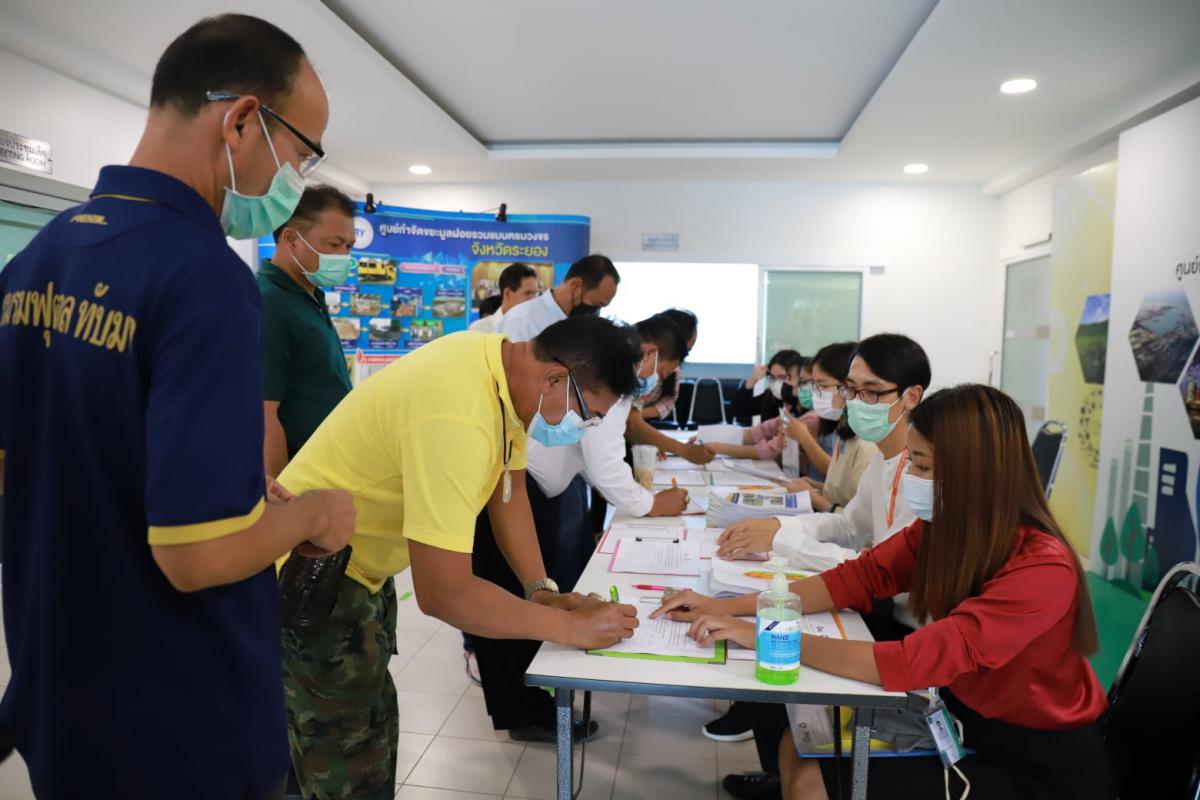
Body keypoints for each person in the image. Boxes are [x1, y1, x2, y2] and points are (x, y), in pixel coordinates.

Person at [0, 15, 357, 799]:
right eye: (301, 152)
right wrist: (314, 514)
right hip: (179, 718)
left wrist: (229, 490)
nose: (293, 178)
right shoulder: (205, 278)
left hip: (63, 692)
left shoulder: (38, 257)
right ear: (242, 122)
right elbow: (195, 557)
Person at [658, 384, 1115, 800]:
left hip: (1034, 764)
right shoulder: (944, 528)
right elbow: (859, 577)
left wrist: (765, 635)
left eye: (923, 466)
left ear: (974, 472)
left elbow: (913, 661)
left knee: (812, 780)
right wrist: (730, 607)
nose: (911, 475)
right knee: (799, 743)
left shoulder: (1042, 568)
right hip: (962, 721)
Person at [276, 317, 642, 800]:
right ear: (556, 378)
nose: (582, 428)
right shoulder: (458, 414)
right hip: (314, 573)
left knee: (368, 732)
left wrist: (541, 592)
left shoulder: (498, 370)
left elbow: (507, 492)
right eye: (587, 414)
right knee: (346, 763)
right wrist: (569, 628)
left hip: (360, 567)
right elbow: (444, 593)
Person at [707, 333, 930, 795]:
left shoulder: (921, 473)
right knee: (769, 655)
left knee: (778, 652)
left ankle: (796, 772)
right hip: (879, 605)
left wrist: (783, 537)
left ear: (911, 397)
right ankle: (780, 772)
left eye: (871, 392)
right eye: (851, 389)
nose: (856, 402)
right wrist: (777, 526)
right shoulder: (884, 458)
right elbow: (846, 524)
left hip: (900, 623)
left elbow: (875, 567)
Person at [470, 313, 690, 742]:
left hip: (530, 487)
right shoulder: (610, 378)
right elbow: (605, 466)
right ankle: (524, 712)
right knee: (506, 601)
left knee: (529, 595)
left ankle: (532, 704)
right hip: (518, 490)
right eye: (663, 370)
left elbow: (594, 460)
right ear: (648, 353)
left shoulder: (602, 377)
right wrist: (651, 504)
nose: (658, 380)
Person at [260, 185, 356, 479]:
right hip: (298, 478)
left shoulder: (310, 295)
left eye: (349, 246)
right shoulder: (268, 303)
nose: (344, 256)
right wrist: (282, 497)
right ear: (291, 239)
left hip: (330, 471)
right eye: (334, 244)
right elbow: (263, 415)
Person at [782, 342, 876, 512]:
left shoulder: (867, 443)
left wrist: (815, 497)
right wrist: (817, 488)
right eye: (815, 386)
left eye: (823, 386)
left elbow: (857, 519)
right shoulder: (844, 430)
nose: (816, 393)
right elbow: (842, 490)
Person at [496, 253, 619, 341]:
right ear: (575, 285)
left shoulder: (581, 326)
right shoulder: (522, 320)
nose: (594, 312)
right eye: (596, 304)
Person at [730, 349, 804, 424]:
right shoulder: (769, 397)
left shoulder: (805, 401)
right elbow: (737, 410)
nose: (776, 383)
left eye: (782, 377)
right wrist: (752, 380)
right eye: (772, 377)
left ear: (799, 377)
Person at [470, 262, 539, 333]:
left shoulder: (538, 330)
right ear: (507, 293)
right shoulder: (479, 330)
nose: (533, 300)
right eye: (527, 293)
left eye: (535, 294)